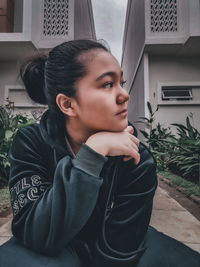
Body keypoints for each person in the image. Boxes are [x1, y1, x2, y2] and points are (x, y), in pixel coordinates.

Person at [0, 39, 199, 267]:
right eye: (107, 84)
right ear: (67, 104)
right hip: (51, 251)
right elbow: (35, 233)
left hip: (116, 250)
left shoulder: (137, 158)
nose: (124, 95)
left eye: (121, 83)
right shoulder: (32, 142)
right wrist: (92, 154)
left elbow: (119, 252)